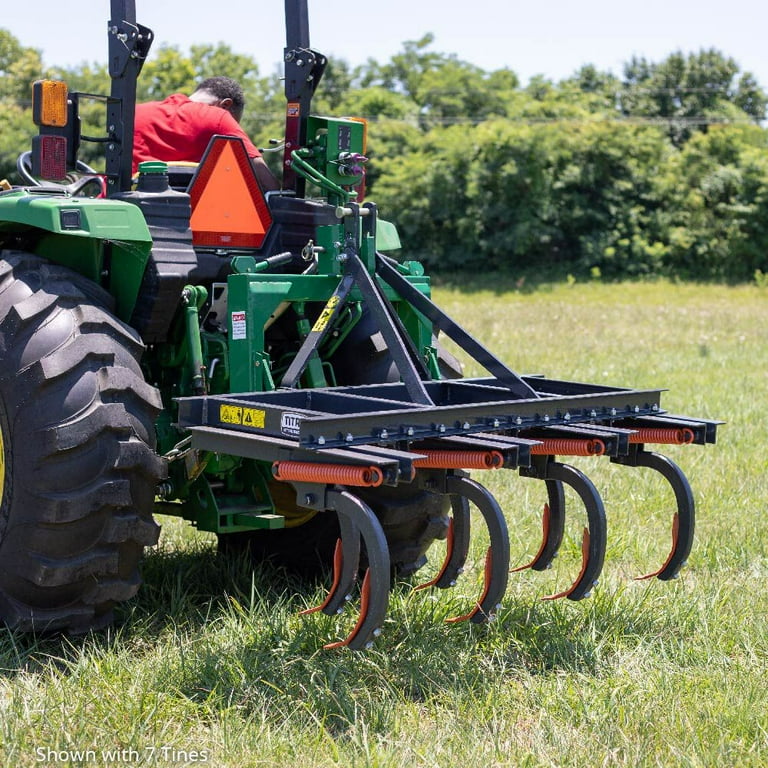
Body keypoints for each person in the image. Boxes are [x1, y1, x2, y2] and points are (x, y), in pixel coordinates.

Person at [132, 76, 278, 190]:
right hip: (184, 221)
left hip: (125, 216)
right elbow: (267, 183)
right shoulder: (219, 117)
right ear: (225, 105)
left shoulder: (134, 113)